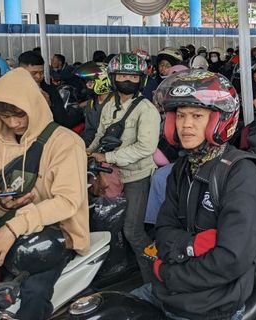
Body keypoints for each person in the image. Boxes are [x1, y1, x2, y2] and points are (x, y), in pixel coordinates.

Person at [132, 70, 256, 320]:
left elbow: (231, 258)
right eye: (180, 116)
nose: (185, 125)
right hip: (171, 292)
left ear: (219, 121)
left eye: (197, 116)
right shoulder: (182, 169)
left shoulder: (242, 175)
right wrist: (193, 245)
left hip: (215, 303)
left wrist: (168, 272)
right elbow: (162, 231)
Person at [0, 68, 89, 320]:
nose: (13, 123)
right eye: (5, 116)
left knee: (33, 293)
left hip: (57, 236)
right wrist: (2, 203)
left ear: (33, 106)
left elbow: (68, 201)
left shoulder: (65, 142)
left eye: (19, 115)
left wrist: (14, 226)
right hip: (12, 233)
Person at [87, 53, 160, 282]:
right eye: (122, 74)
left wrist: (107, 156)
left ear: (141, 80)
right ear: (112, 77)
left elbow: (145, 148)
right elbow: (100, 135)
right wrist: (88, 154)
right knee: (109, 225)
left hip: (136, 176)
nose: (126, 79)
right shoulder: (110, 105)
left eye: (132, 75)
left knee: (133, 231)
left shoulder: (146, 109)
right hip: (110, 175)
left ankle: (156, 276)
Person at [18, 50, 83, 129]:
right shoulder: (11, 91)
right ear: (21, 72)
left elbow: (62, 121)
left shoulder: (50, 91)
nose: (38, 77)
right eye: (33, 73)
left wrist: (50, 106)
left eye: (41, 72)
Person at [73, 61, 113, 147]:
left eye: (90, 82)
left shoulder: (114, 103)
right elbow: (89, 130)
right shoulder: (91, 103)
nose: (87, 85)